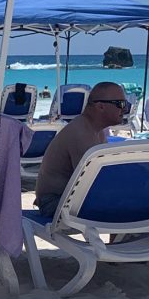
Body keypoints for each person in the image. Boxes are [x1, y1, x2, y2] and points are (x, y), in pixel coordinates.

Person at [35, 81, 129, 217]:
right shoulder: (80, 133)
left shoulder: (96, 131)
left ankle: (124, 238)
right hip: (55, 202)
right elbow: (91, 184)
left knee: (129, 201)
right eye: (120, 104)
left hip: (68, 199)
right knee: (127, 204)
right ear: (101, 106)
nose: (124, 109)